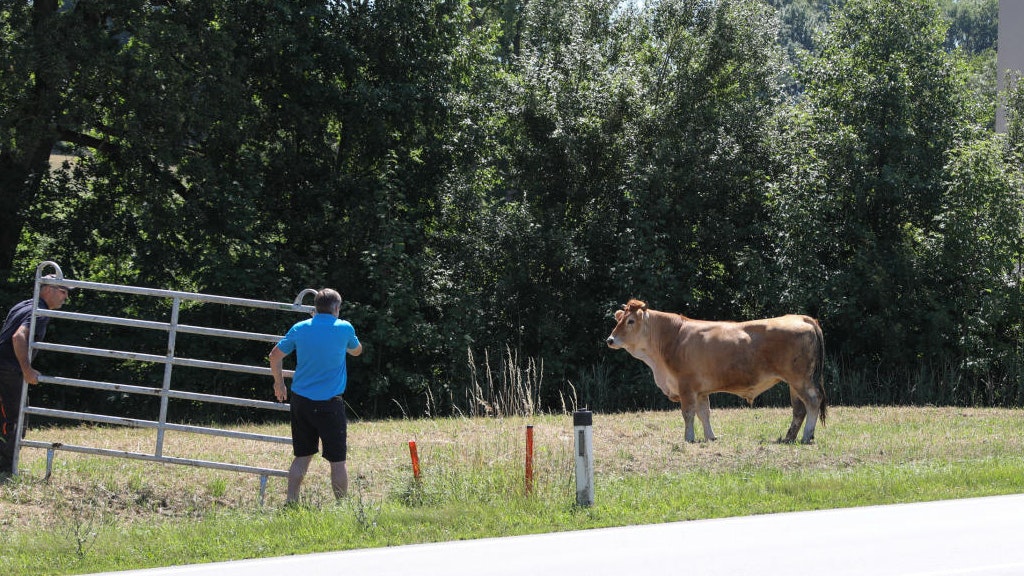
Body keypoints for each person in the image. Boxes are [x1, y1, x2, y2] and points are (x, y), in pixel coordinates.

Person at [269, 288, 362, 504]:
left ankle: (291, 502)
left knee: (302, 456)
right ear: (336, 308)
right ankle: (341, 506)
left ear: (315, 308)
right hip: (330, 405)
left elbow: (274, 355)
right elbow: (357, 351)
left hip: (301, 402)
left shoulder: (300, 328)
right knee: (337, 461)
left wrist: (279, 383)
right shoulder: (344, 328)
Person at [0, 275, 72, 475]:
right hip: (9, 370)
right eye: (63, 291)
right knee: (15, 420)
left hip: (4, 366)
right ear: (48, 289)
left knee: (10, 417)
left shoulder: (23, 305)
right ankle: (6, 467)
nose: (66, 297)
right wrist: (26, 369)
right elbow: (18, 336)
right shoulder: (39, 313)